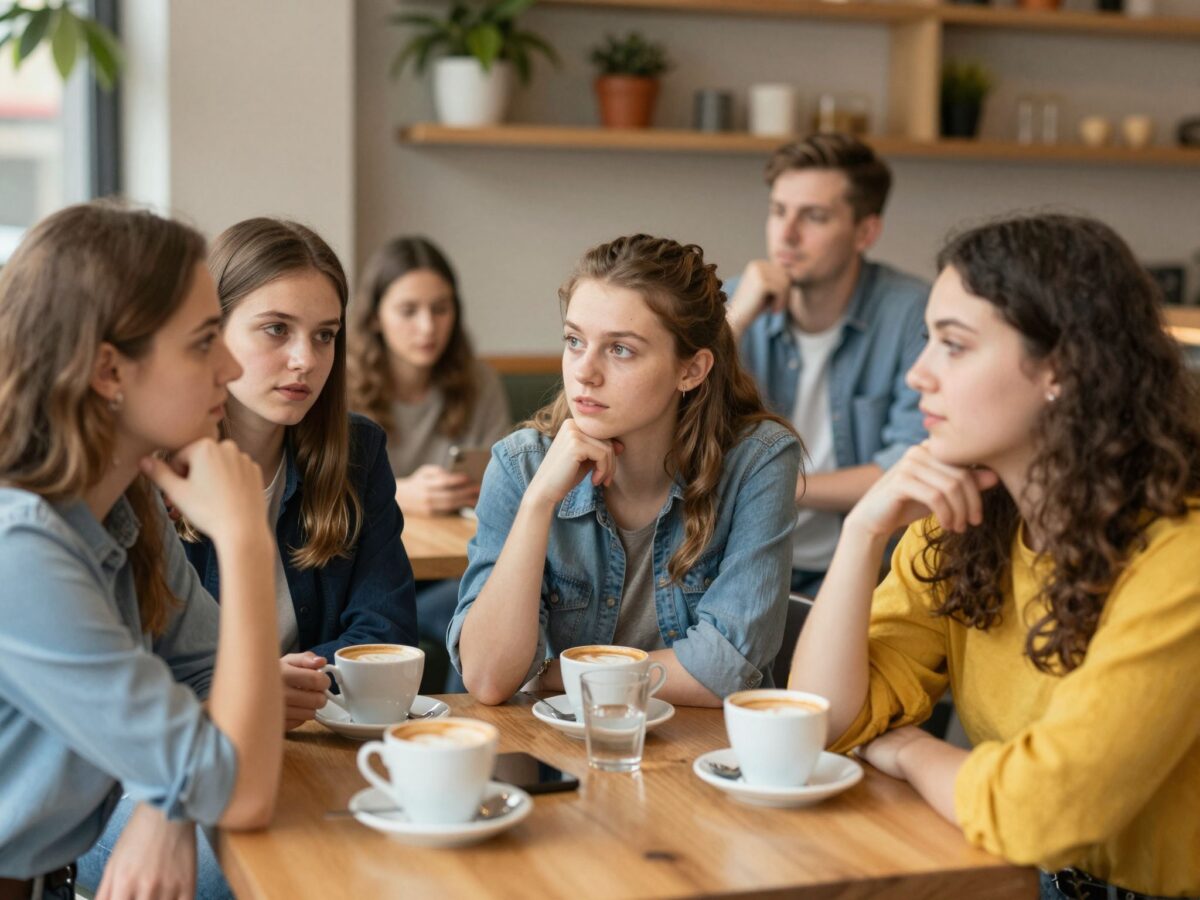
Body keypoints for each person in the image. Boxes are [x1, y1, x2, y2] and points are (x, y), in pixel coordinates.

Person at [789, 214, 1200, 900]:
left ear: (1061, 368)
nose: (918, 374)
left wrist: (911, 749)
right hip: (1018, 877)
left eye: (953, 345)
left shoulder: (1181, 561)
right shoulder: (957, 527)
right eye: (928, 340)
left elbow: (1042, 811)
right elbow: (822, 721)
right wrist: (862, 533)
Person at [81, 217, 419, 900]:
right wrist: (256, 687)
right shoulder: (144, 470)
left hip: (299, 744)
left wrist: (278, 686)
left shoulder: (356, 452)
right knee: (269, 868)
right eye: (276, 330)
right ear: (214, 338)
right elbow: (131, 686)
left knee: (398, 848)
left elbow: (384, 633)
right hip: (141, 776)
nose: (305, 360)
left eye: (324, 335)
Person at [0, 203, 281, 899]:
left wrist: (168, 804)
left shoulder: (129, 504)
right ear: (108, 371)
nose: (231, 366)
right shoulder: (19, 549)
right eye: (204, 341)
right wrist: (245, 539)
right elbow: (241, 791)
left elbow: (210, 679)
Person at [452, 234, 802, 707]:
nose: (584, 372)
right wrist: (538, 502)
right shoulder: (521, 466)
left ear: (692, 370)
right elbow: (490, 679)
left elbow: (727, 669)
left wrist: (553, 676)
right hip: (560, 746)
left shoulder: (758, 461)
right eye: (574, 341)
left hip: (707, 746)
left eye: (620, 349)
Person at [725, 133, 929, 596]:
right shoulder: (737, 304)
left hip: (864, 571)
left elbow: (911, 464)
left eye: (814, 216)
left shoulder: (913, 313)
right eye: (778, 211)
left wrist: (775, 483)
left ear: (865, 233)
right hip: (738, 560)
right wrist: (734, 320)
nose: (787, 234)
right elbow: (675, 421)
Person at [349, 236, 509, 692]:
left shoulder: (478, 382)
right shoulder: (342, 384)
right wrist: (398, 492)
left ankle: (473, 727)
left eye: (441, 309)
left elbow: (503, 480)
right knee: (477, 609)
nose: (427, 327)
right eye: (408, 310)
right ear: (375, 316)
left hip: (457, 565)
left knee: (487, 601)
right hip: (371, 570)